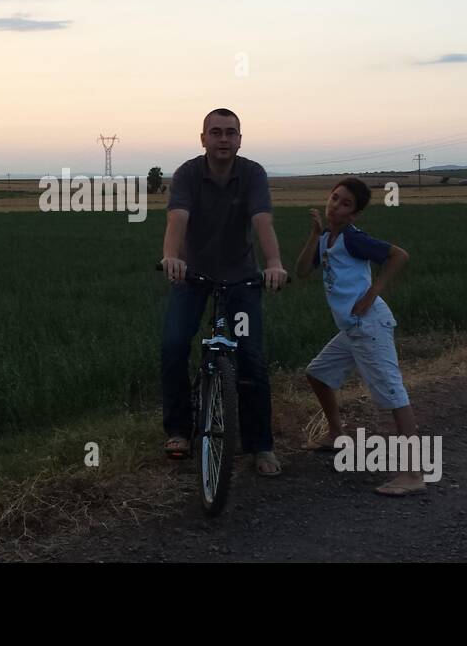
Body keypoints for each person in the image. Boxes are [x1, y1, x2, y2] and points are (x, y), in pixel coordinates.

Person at [159, 108, 288, 477]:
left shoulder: (252, 174)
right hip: (192, 277)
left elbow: (262, 219)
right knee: (173, 346)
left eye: (231, 132)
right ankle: (179, 431)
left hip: (242, 280)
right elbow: (177, 218)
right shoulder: (187, 174)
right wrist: (171, 257)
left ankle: (260, 445)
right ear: (203, 139)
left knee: (251, 357)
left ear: (240, 139)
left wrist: (274, 262)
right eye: (215, 132)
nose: (223, 139)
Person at [294, 177, 425, 495]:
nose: (335, 205)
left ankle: (413, 473)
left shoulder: (354, 239)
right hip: (351, 330)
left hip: (370, 326)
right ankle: (337, 433)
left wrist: (371, 294)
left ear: (354, 214)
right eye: (334, 198)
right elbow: (300, 272)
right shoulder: (327, 239)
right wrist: (314, 235)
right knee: (318, 374)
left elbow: (399, 255)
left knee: (393, 394)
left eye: (345, 203)